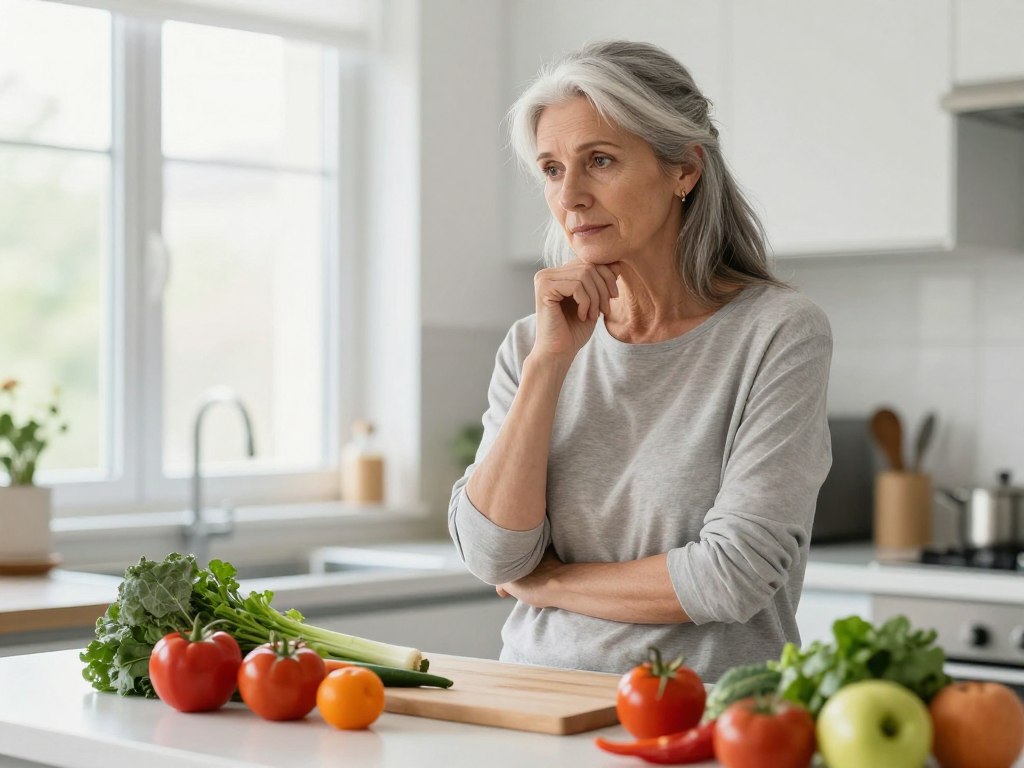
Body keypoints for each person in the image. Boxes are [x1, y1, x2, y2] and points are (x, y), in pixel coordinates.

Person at [447, 40, 832, 681]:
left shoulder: (778, 332)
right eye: (550, 168)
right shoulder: (532, 342)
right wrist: (549, 363)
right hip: (532, 704)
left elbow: (732, 578)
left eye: (599, 161)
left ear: (683, 169)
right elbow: (492, 556)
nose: (570, 195)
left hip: (706, 717)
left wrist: (550, 584)